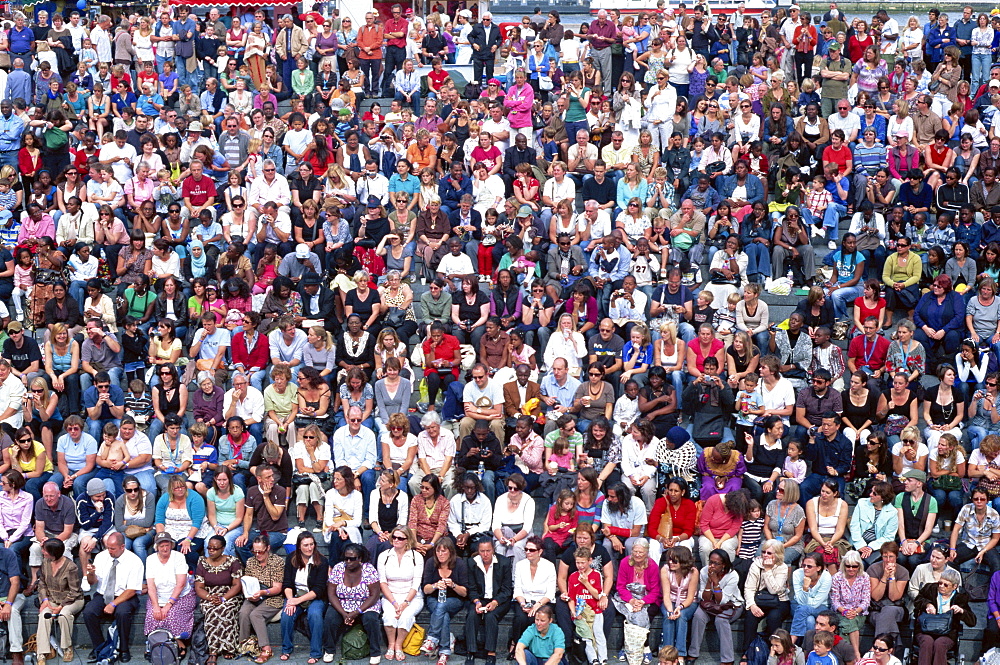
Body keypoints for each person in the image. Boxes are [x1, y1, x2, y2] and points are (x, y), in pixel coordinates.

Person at [82, 532, 143, 664]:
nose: (109, 551)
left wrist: (113, 604)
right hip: (103, 593)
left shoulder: (134, 561)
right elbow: (93, 582)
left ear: (122, 547)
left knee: (122, 612)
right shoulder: (101, 556)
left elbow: (132, 589)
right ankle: (99, 647)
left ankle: (124, 649)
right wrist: (90, 574)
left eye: (112, 548)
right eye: (107, 547)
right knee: (88, 612)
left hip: (125, 595)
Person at [322, 542, 382, 665]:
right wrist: (344, 614)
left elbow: (374, 595)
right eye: (346, 558)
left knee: (371, 619)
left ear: (360, 558)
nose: (348, 561)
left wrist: (356, 612)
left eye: (352, 559)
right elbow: (331, 594)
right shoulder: (339, 568)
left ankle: (375, 652)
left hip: (365, 604)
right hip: (342, 603)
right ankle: (329, 650)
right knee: (330, 618)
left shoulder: (369, 569)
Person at [686, 549, 743, 665]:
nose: (711, 566)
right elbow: (704, 597)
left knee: (721, 619)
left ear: (724, 565)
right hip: (709, 604)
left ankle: (728, 659)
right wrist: (708, 581)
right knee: (698, 615)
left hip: (731, 605)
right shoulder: (704, 571)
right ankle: (693, 653)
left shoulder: (732, 575)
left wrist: (716, 582)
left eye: (715, 563)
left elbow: (722, 600)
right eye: (710, 562)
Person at [280, 531, 329, 662]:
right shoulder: (291, 558)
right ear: (299, 546)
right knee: (287, 614)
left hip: (315, 597)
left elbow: (319, 589)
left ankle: (316, 652)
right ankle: (286, 649)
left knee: (315, 615)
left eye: (311, 544)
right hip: (295, 595)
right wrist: (290, 601)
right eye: (306, 545)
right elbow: (287, 583)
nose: (309, 548)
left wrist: (297, 601)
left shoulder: (322, 561)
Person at [194, 534, 244, 661]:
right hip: (208, 595)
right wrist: (210, 598)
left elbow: (237, 585)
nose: (211, 551)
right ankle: (213, 651)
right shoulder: (202, 562)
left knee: (225, 609)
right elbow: (199, 587)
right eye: (209, 548)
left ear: (223, 548)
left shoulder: (233, 561)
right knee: (212, 611)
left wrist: (223, 598)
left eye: (215, 548)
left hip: (230, 594)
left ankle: (228, 647)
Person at [377, 526, 424, 660]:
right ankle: (391, 645)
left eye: (400, 538)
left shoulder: (416, 557)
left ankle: (399, 645)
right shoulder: (384, 556)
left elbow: (416, 583)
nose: (396, 540)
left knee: (406, 615)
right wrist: (394, 602)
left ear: (407, 540)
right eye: (394, 537)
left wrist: (405, 604)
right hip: (390, 594)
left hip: (412, 596)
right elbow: (383, 582)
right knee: (389, 615)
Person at [143, 532, 196, 650]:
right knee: (153, 615)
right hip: (159, 595)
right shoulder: (150, 559)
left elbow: (180, 584)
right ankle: (156, 644)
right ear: (156, 547)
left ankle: (177, 642)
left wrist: (168, 605)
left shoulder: (178, 557)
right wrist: (156, 606)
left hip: (181, 596)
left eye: (167, 545)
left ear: (171, 545)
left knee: (170, 614)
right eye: (161, 546)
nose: (165, 548)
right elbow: (151, 586)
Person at [35, 537, 84, 665]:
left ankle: (67, 647)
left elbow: (75, 591)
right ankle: (42, 652)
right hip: (51, 598)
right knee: (44, 616)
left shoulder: (70, 567)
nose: (42, 552)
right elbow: (42, 583)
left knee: (64, 615)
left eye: (44, 550)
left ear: (53, 553)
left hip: (72, 600)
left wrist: (61, 606)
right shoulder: (46, 562)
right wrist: (44, 600)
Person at [913, 568, 976, 665]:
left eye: (946, 585)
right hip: (925, 629)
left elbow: (972, 621)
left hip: (947, 633)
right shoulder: (930, 589)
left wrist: (961, 611)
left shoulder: (960, 598)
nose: (941, 586)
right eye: (940, 583)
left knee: (940, 644)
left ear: (954, 586)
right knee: (927, 642)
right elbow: (917, 600)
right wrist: (928, 604)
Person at [466, 537, 513, 665]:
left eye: (488, 551)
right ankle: (471, 651)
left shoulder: (504, 563)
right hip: (480, 598)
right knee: (471, 615)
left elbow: (507, 589)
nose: (485, 554)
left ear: (493, 550)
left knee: (491, 616)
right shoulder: (472, 562)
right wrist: (476, 601)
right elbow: (471, 587)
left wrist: (495, 602)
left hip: (499, 599)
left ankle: (491, 652)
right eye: (482, 551)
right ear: (478, 551)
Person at [238, 535, 285, 664]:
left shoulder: (277, 562)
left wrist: (264, 592)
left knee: (256, 614)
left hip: (272, 596)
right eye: (254, 551)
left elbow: (277, 588)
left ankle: (266, 649)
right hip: (255, 595)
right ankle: (245, 644)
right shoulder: (251, 561)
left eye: (261, 551)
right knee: (243, 612)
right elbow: (246, 581)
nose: (257, 554)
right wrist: (248, 593)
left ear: (268, 548)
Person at [420, 538, 468, 659]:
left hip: (454, 599)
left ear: (451, 552)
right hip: (433, 598)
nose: (440, 554)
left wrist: (453, 585)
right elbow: (425, 589)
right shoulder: (431, 562)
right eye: (438, 551)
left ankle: (432, 638)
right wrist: (435, 586)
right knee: (443, 615)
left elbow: (464, 593)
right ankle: (445, 650)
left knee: (441, 607)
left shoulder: (459, 563)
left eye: (444, 551)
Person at [742, 539, 791, 652]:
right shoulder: (756, 565)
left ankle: (772, 651)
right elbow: (749, 588)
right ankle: (747, 652)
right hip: (759, 599)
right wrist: (752, 605)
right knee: (750, 616)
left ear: (777, 554)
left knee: (774, 618)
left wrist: (768, 571)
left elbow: (774, 590)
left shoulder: (782, 567)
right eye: (763, 552)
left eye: (769, 553)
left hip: (779, 601)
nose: (765, 555)